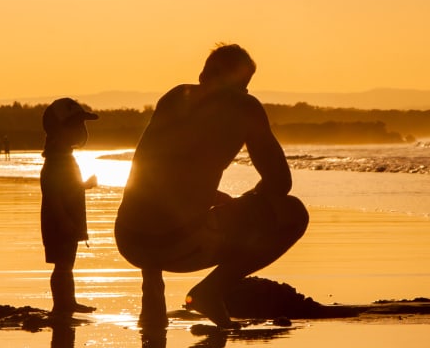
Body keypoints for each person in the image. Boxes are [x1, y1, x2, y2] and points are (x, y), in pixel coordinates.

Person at [115, 44, 309, 328]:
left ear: (204, 74)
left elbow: (153, 172)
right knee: (293, 213)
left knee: (155, 206)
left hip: (130, 238)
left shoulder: (175, 97)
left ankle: (152, 300)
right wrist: (246, 203)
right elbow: (280, 183)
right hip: (180, 245)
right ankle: (211, 290)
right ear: (239, 83)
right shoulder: (245, 108)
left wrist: (209, 195)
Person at [40, 98, 99, 317]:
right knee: (62, 265)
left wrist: (85, 185)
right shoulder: (55, 161)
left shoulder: (65, 158)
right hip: (59, 223)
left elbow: (69, 187)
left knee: (67, 264)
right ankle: (61, 304)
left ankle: (69, 301)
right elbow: (53, 193)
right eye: (76, 126)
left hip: (69, 220)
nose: (81, 131)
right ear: (59, 130)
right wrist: (64, 220)